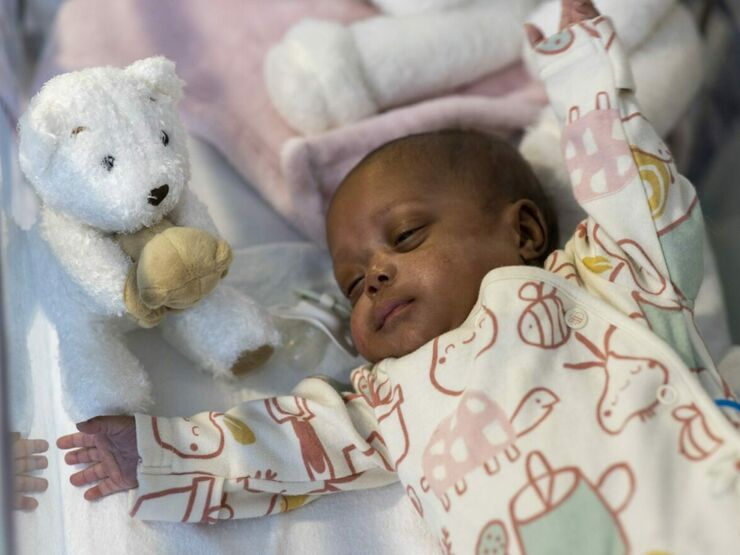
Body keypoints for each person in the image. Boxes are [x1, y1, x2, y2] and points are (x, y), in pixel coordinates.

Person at [57, 1, 740, 552]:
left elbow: (636, 197)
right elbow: (283, 448)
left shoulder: (598, 284)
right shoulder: (385, 402)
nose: (375, 277)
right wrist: (163, 455)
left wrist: (583, 78)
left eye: (407, 236)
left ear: (525, 232)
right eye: (353, 285)